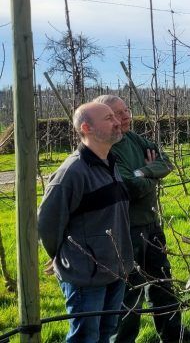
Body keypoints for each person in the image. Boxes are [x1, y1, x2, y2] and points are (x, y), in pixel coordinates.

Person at [92, 95, 190, 343]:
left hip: (151, 225)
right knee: (130, 292)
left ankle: (175, 334)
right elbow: (128, 187)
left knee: (163, 282)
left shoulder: (134, 139)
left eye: (126, 110)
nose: (127, 116)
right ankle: (123, 339)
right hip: (126, 230)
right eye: (118, 114)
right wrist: (150, 177)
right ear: (106, 118)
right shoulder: (107, 148)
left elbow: (165, 162)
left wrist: (143, 171)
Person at [38, 102, 134, 343]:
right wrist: (63, 257)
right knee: (85, 337)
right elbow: (47, 224)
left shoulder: (111, 163)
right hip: (86, 275)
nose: (116, 122)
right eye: (108, 118)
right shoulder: (72, 172)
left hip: (115, 269)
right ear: (86, 128)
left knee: (107, 333)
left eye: (115, 116)